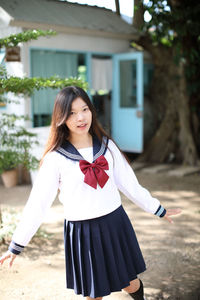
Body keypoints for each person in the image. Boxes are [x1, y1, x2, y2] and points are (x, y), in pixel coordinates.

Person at [0, 86, 181, 300]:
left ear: (91, 111)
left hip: (114, 223)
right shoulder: (55, 158)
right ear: (61, 118)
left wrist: (158, 209)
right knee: (94, 293)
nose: (80, 117)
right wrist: (16, 245)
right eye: (72, 113)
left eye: (84, 109)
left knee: (130, 283)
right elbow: (38, 203)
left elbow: (130, 185)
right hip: (82, 232)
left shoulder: (107, 146)